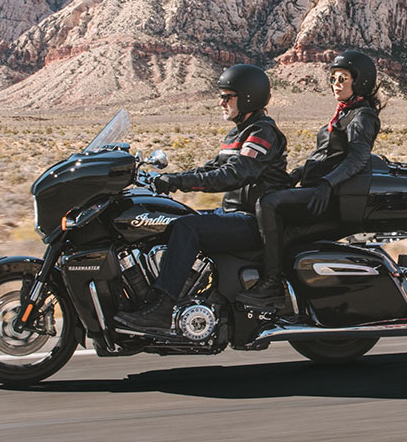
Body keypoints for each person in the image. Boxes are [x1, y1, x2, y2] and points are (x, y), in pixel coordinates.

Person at [115, 64, 294, 335]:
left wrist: (177, 183)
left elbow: (235, 174)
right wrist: (164, 178)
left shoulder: (262, 132)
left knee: (187, 228)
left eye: (228, 96)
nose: (221, 102)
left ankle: (163, 309)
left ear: (248, 97)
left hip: (254, 221)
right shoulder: (239, 132)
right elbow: (211, 168)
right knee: (173, 221)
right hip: (233, 213)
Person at [244, 50, 385, 309]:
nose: (336, 84)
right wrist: (297, 174)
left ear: (360, 81)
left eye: (342, 78)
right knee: (260, 194)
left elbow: (357, 159)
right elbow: (326, 156)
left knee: (268, 203)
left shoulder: (362, 116)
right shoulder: (345, 113)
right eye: (333, 79)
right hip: (317, 189)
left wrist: (327, 183)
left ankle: (271, 283)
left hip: (328, 197)